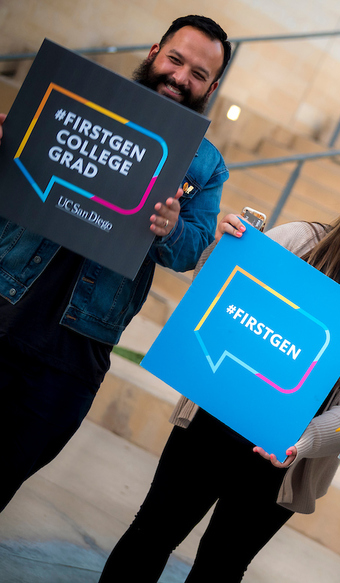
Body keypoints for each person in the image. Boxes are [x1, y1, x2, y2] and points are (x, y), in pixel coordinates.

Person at [99, 167, 340, 582]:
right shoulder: (301, 239)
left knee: (219, 570)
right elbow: (214, 288)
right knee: (150, 533)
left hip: (280, 464)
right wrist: (224, 250)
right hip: (213, 423)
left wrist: (302, 440)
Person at [0, 14, 230, 512]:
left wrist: (171, 229)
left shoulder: (205, 164)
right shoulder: (72, 96)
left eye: (198, 74)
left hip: (77, 345)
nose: (181, 77)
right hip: (6, 297)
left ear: (211, 87)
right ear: (154, 52)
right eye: (176, 60)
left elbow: (194, 249)